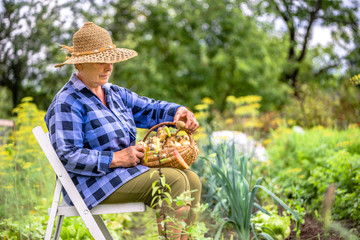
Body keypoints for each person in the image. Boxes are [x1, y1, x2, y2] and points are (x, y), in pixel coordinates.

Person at [45, 22, 201, 239]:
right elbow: (68, 155)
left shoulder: (113, 93)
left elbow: (149, 108)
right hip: (92, 184)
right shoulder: (67, 103)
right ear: (79, 64)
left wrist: (178, 111)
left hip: (123, 175)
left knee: (191, 180)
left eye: (111, 60)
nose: (108, 67)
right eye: (100, 61)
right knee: (173, 180)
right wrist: (116, 158)